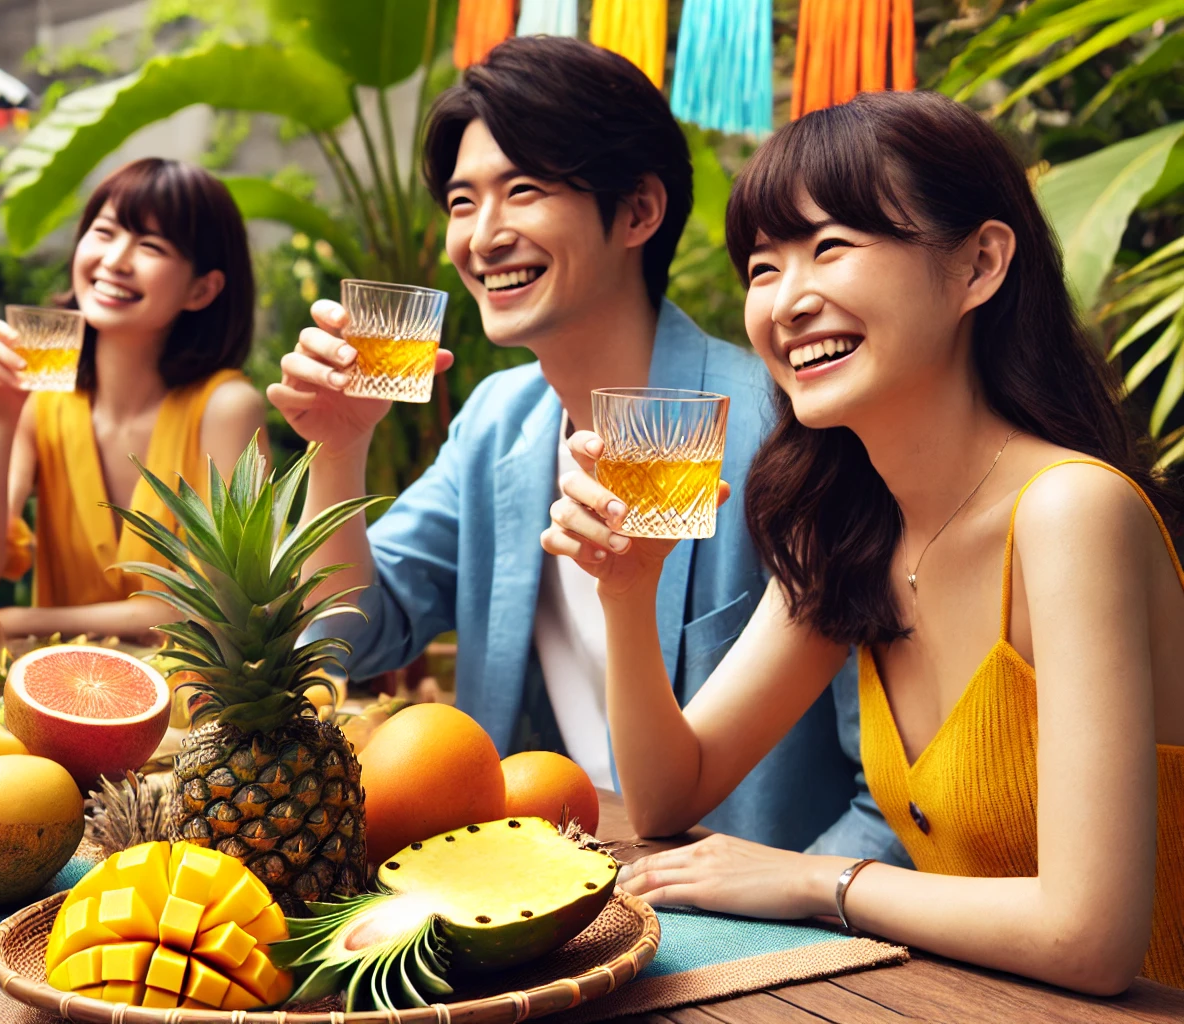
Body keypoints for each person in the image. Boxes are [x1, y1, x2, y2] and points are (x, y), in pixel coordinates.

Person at [547, 90, 1184, 993]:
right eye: (764, 267)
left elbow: (1091, 936)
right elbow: (667, 794)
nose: (788, 301)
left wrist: (817, 881)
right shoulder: (849, 525)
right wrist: (627, 590)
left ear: (979, 266)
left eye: (831, 247)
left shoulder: (1072, 513)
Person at [272, 35, 900, 859]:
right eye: (462, 203)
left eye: (523, 190)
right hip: (544, 893)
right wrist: (338, 447)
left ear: (639, 211)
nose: (484, 235)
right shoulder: (499, 421)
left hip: (755, 926)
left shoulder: (789, 423)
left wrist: (774, 941)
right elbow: (354, 638)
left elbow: (887, 800)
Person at [0, 158, 266, 639]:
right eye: (105, 232)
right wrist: (1, 414)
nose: (116, 259)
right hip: (55, 697)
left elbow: (219, 605)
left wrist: (21, 622)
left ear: (202, 289)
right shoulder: (39, 398)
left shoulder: (226, 408)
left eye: (151, 246)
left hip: (189, 705)